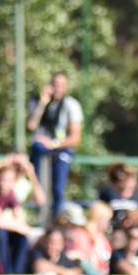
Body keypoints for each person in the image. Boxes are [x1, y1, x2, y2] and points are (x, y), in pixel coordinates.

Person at [27, 72, 84, 219]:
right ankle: (38, 208)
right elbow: (31, 125)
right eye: (55, 84)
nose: (57, 88)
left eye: (61, 85)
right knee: (37, 150)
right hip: (41, 150)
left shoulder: (71, 105)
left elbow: (75, 138)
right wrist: (42, 103)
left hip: (62, 150)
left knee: (58, 189)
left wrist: (53, 144)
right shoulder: (37, 101)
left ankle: (56, 218)